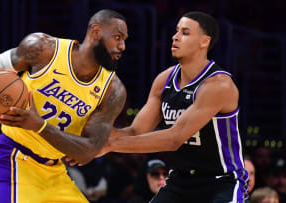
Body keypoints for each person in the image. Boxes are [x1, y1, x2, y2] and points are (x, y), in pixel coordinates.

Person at [0, 9, 128, 202]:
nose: (122, 46)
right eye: (117, 37)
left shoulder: (113, 91)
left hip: (55, 172)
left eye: (124, 40)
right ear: (96, 32)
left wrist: (39, 126)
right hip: (12, 159)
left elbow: (88, 151)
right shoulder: (44, 48)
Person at [96, 11, 249, 202]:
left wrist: (110, 145)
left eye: (185, 33)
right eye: (176, 31)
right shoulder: (164, 80)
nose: (175, 37)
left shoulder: (218, 85)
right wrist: (97, 136)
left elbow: (174, 138)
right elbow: (136, 131)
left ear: (204, 42)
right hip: (180, 180)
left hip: (221, 182)